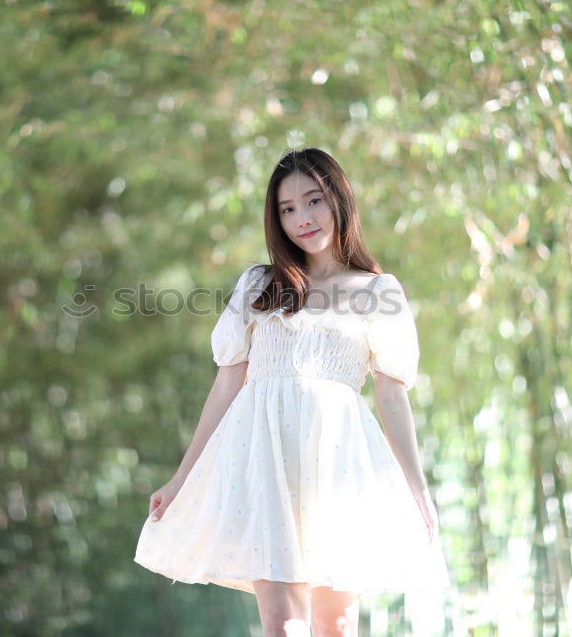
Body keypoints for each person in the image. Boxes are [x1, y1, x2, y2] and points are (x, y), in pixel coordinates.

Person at [133, 147, 452, 636]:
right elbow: (226, 385)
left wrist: (419, 491)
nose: (301, 217)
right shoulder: (259, 285)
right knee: (284, 628)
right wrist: (181, 479)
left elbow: (391, 396)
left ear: (340, 201)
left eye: (313, 201)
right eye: (287, 209)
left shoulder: (378, 291)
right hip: (264, 464)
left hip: (339, 468)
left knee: (337, 627)